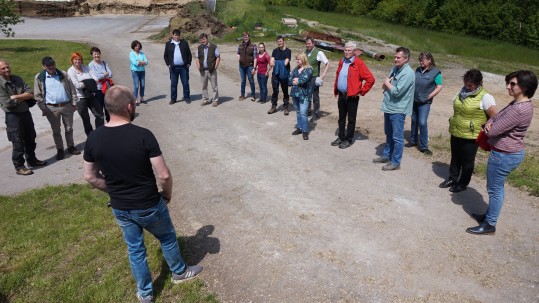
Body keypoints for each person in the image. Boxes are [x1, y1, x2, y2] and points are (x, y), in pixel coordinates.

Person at [83, 85, 203, 303]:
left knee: (135, 249)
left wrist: (115, 190)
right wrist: (166, 195)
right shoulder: (143, 135)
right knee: (167, 237)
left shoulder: (93, 138)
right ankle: (179, 272)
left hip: (120, 206)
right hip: (148, 203)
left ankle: (146, 294)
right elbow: (164, 175)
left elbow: (90, 176)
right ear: (129, 106)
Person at [467, 70, 537, 235]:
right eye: (508, 83)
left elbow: (492, 130)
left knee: (495, 190)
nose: (508, 87)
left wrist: (489, 126)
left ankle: (490, 224)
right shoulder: (518, 103)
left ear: (525, 87)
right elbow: (495, 118)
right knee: (497, 188)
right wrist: (490, 123)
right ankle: (489, 216)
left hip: (504, 156)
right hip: (507, 154)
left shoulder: (518, 109)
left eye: (513, 84)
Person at [439, 69, 497, 192]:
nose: (467, 86)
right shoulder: (461, 92)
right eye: (466, 82)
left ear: (479, 83)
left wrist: (486, 129)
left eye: (470, 84)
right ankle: (452, 178)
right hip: (456, 130)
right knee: (455, 157)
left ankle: (463, 183)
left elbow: (494, 117)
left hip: (471, 135)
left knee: (467, 161)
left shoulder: (486, 97)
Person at [0, 59, 47, 175]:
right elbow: (8, 103)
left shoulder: (17, 78)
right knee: (17, 142)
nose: (6, 70)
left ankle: (32, 160)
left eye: (7, 67)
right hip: (13, 116)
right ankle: (19, 166)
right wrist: (23, 98)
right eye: (3, 68)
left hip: (25, 113)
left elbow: (30, 93)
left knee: (31, 137)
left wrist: (15, 96)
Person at [373, 47, 415, 171]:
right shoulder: (395, 69)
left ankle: (396, 162)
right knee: (389, 133)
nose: (395, 59)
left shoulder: (408, 73)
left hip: (398, 109)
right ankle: (386, 155)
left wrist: (387, 83)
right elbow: (386, 85)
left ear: (406, 59)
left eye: (398, 57)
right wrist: (386, 83)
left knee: (397, 137)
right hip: (389, 106)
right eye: (395, 57)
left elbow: (396, 92)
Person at [34, 56, 80, 160]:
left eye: (52, 64)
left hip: (66, 105)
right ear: (43, 66)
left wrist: (73, 103)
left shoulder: (63, 74)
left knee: (69, 128)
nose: (51, 67)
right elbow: (37, 95)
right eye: (48, 65)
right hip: (51, 108)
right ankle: (60, 149)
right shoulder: (39, 77)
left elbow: (72, 89)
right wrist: (43, 108)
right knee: (56, 131)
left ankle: (71, 147)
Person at [331, 42, 375, 149]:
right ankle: (341, 137)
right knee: (341, 118)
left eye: (349, 50)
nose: (346, 52)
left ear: (354, 51)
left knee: (351, 119)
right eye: (345, 50)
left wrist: (361, 91)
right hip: (342, 95)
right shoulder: (342, 61)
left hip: (352, 97)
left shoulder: (358, 63)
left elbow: (370, 79)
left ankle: (348, 139)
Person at [407, 51, 443, 155]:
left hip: (425, 102)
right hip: (414, 100)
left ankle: (424, 146)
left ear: (429, 60)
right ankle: (413, 141)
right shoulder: (418, 70)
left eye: (422, 60)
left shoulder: (436, 72)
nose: (420, 62)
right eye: (420, 60)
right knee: (414, 120)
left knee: (422, 122)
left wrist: (430, 96)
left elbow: (439, 86)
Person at [67, 52, 104, 136]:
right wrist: (90, 82)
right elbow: (77, 85)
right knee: (86, 119)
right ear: (72, 60)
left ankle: (100, 133)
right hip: (80, 98)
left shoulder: (86, 68)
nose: (77, 61)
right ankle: (90, 136)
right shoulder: (71, 71)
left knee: (100, 115)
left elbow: (96, 78)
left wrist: (86, 82)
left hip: (91, 95)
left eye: (79, 59)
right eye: (75, 59)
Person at [305, 37, 330, 122]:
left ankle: (315, 114)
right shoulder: (305, 52)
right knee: (306, 94)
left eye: (309, 43)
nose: (308, 45)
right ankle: (308, 111)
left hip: (314, 77)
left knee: (315, 96)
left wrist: (322, 76)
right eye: (307, 44)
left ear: (313, 43)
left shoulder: (319, 53)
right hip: (306, 77)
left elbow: (327, 63)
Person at [164, 29, 192, 105]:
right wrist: (169, 64)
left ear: (180, 36)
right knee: (173, 84)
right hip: (173, 68)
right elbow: (165, 56)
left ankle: (187, 97)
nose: (177, 37)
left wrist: (189, 63)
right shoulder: (168, 44)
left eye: (178, 35)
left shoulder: (184, 43)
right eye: (175, 35)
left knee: (185, 83)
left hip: (183, 67)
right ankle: (173, 99)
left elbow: (189, 54)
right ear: (172, 36)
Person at [289, 53, 313, 140]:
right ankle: (299, 128)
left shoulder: (308, 69)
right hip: (295, 94)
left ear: (303, 59)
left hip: (304, 95)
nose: (297, 61)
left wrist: (296, 80)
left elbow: (303, 80)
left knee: (303, 113)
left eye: (298, 59)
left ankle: (305, 131)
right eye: (296, 59)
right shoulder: (295, 69)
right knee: (298, 112)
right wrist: (295, 80)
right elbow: (289, 80)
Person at [268, 35, 291, 115]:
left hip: (284, 74)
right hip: (275, 74)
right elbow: (271, 62)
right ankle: (273, 106)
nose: (279, 43)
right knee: (275, 91)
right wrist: (274, 62)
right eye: (278, 42)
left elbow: (286, 63)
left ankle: (286, 107)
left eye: (281, 41)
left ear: (283, 42)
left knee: (285, 91)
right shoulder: (275, 51)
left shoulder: (288, 51)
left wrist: (276, 62)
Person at [88, 47, 113, 122]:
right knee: (99, 108)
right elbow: (96, 77)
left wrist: (103, 75)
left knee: (108, 107)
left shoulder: (104, 63)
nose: (96, 55)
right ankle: (100, 125)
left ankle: (110, 123)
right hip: (98, 89)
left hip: (107, 88)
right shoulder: (91, 65)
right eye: (94, 54)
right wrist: (105, 74)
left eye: (97, 53)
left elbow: (110, 74)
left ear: (100, 54)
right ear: (92, 55)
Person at [195, 33, 220, 107]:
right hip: (203, 70)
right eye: (201, 39)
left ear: (207, 39)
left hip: (212, 70)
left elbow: (218, 57)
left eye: (204, 39)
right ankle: (205, 99)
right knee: (204, 86)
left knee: (214, 86)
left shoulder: (213, 47)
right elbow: (197, 58)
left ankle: (215, 100)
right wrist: (198, 66)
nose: (203, 41)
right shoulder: (199, 48)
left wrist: (215, 67)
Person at [236, 31, 256, 101]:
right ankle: (242, 95)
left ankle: (253, 94)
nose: (245, 38)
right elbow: (238, 53)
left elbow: (255, 58)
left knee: (251, 80)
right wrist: (238, 58)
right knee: (243, 81)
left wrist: (254, 67)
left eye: (246, 37)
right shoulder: (240, 45)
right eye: (244, 37)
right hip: (241, 66)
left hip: (249, 66)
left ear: (249, 37)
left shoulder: (253, 46)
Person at [130, 40, 148, 105]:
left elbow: (146, 62)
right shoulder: (131, 53)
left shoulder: (142, 53)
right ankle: (135, 99)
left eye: (138, 46)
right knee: (136, 86)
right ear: (134, 46)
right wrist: (142, 62)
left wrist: (140, 62)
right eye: (136, 46)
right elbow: (135, 63)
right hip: (135, 72)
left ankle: (142, 98)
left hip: (142, 71)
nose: (137, 47)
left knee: (142, 85)